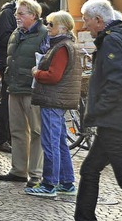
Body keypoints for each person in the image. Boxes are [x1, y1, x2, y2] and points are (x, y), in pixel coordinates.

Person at [54, 0, 122, 221]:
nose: (85, 25)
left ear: (99, 20)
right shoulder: (118, 38)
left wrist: (96, 112)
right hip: (115, 121)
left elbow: (117, 81)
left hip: (114, 122)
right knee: (91, 170)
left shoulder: (113, 40)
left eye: (87, 20)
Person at [25, 10, 81, 197]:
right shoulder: (67, 45)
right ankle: (66, 181)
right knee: (59, 142)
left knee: (50, 142)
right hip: (58, 99)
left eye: (51, 24)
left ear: (63, 27)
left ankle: (50, 184)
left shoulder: (61, 47)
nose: (47, 27)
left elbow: (53, 76)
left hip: (53, 99)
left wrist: (36, 73)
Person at [0, 0, 48, 188]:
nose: (16, 16)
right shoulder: (16, 33)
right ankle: (18, 170)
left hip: (33, 89)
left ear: (33, 15)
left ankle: (36, 174)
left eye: (21, 13)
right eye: (16, 12)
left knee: (36, 131)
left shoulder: (44, 34)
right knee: (17, 130)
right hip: (14, 87)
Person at [0, 0, 37, 154]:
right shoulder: (7, 14)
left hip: (22, 68)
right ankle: (3, 138)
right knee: (7, 102)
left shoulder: (33, 19)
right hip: (9, 65)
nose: (33, 2)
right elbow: (3, 38)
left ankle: (11, 138)